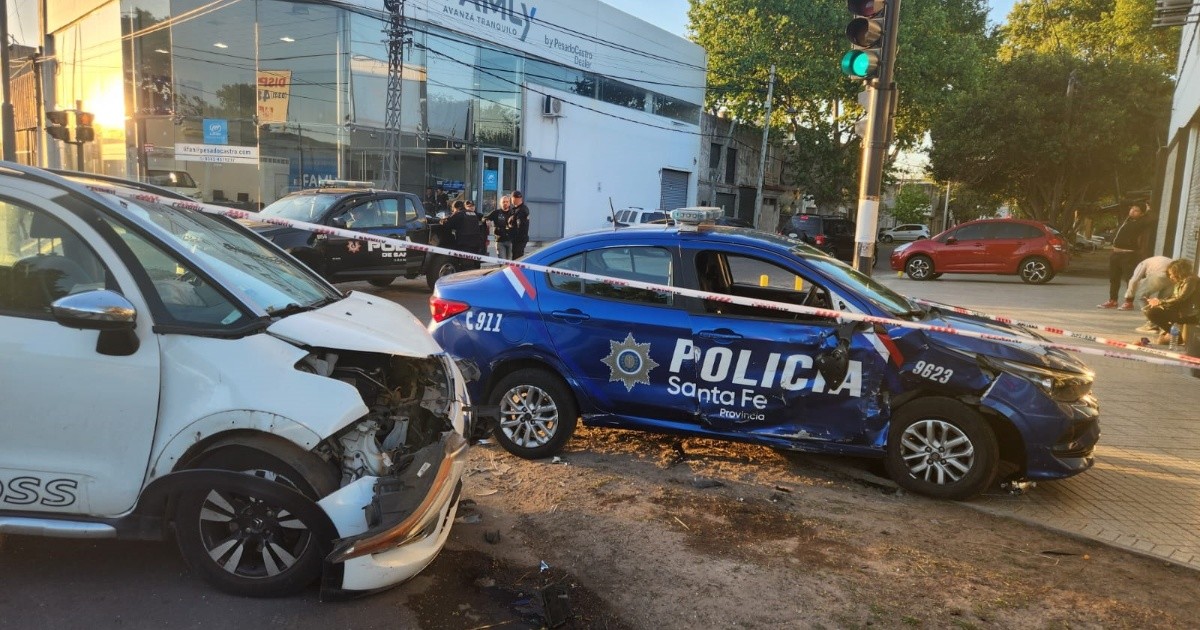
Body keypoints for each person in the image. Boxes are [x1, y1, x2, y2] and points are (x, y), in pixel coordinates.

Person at [1098, 203, 1152, 308]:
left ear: (1141, 214)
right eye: (1132, 208)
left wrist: (1148, 211)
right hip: (1115, 254)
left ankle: (1129, 302)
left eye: (1136, 210)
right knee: (1114, 278)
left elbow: (1149, 220)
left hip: (1128, 255)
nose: (1132, 211)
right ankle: (1113, 300)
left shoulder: (1141, 223)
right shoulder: (1126, 221)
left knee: (1129, 279)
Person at [1142, 258, 1200, 344]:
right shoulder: (1182, 281)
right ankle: (1173, 334)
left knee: (1152, 313)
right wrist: (1158, 302)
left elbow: (1181, 298)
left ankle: (1176, 335)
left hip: (1190, 314)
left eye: (1171, 274)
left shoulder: (1191, 280)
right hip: (1182, 311)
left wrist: (1160, 302)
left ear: (1178, 272)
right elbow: (1174, 297)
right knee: (1150, 310)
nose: (1171, 277)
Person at [443, 199, 485, 269]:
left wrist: (443, 220)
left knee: (467, 268)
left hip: (465, 245)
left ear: (455, 208)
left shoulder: (459, 214)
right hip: (476, 245)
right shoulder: (473, 213)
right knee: (476, 266)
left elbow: (447, 224)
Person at [484, 194, 513, 259]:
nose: (505, 203)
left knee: (510, 262)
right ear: (500, 203)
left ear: (509, 203)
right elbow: (485, 218)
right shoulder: (496, 213)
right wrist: (487, 220)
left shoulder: (513, 212)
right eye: (503, 202)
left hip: (511, 241)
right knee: (502, 261)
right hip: (500, 241)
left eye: (507, 202)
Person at [508, 190, 531, 258]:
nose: (511, 200)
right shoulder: (515, 209)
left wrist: (510, 227)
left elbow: (520, 226)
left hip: (519, 239)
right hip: (516, 239)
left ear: (515, 198)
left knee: (517, 258)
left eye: (511, 198)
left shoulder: (522, 210)